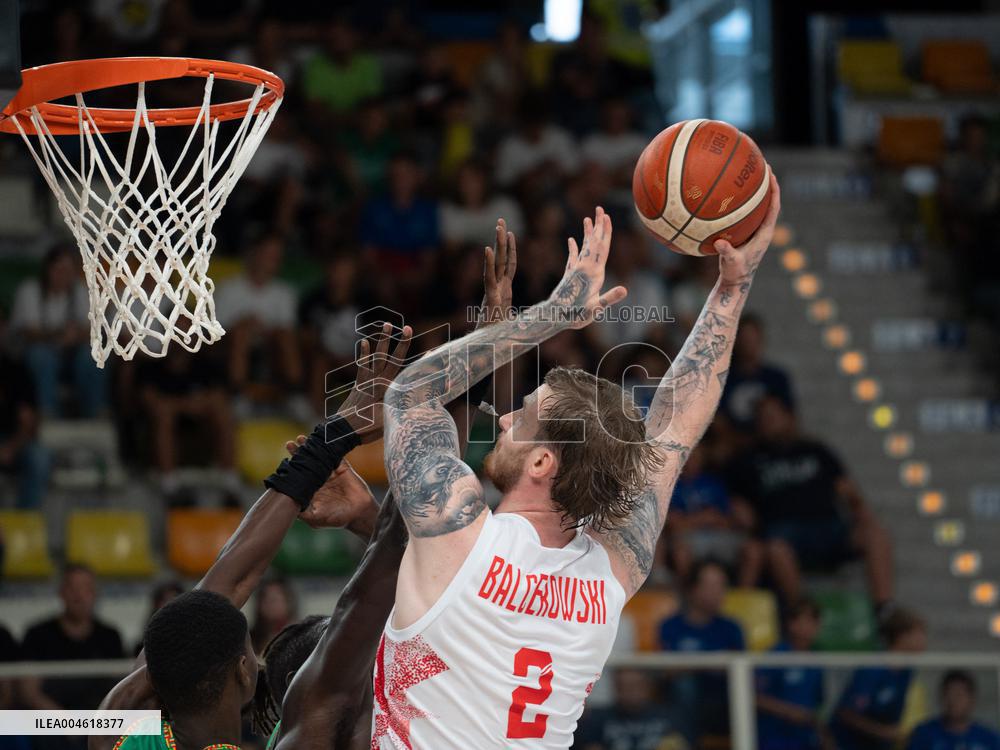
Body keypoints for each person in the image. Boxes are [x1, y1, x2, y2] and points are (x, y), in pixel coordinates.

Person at [374, 176, 780, 747]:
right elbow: (674, 430)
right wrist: (733, 289)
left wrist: (553, 315)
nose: (507, 418)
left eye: (525, 414)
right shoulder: (614, 572)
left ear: (543, 463)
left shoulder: (459, 534)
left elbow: (409, 395)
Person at [727, 396, 895, 613]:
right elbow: (735, 500)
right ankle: (802, 613)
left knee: (875, 534)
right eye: (763, 418)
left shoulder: (816, 451)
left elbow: (848, 491)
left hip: (829, 528)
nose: (768, 422)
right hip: (784, 534)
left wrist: (863, 514)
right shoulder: (747, 461)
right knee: (776, 549)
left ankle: (884, 608)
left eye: (773, 415)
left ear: (790, 418)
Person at [9, 243, 107, 418]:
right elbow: (29, 332)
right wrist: (59, 335)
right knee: (42, 356)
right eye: (59, 270)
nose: (64, 276)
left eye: (69, 271)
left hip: (71, 354)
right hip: (35, 354)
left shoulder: (81, 291)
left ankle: (94, 412)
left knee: (92, 356)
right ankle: (48, 413)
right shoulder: (30, 290)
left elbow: (93, 331)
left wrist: (76, 336)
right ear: (48, 269)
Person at [20, 565, 125, 718]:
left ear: (95, 594)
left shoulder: (110, 636)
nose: (78, 595)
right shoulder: (37, 635)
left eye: (85, 588)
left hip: (100, 723)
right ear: (61, 593)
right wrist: (66, 721)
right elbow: (28, 691)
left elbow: (121, 691)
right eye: (72, 588)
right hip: (49, 724)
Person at [659, 560, 745, 740]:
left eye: (722, 585)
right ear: (692, 589)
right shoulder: (671, 626)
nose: (718, 592)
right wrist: (712, 663)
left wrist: (691, 664)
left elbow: (743, 672)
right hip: (682, 702)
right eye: (711, 585)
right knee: (685, 685)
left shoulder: (731, 628)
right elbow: (665, 671)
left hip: (724, 702)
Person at [215, 233, 303, 403]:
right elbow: (215, 335)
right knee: (241, 333)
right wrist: (243, 325)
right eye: (268, 254)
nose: (272, 259)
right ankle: (238, 396)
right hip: (230, 348)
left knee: (285, 337)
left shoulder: (285, 292)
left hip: (270, 348)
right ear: (254, 253)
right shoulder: (228, 288)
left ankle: (295, 396)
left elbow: (287, 331)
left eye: (277, 256)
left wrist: (263, 330)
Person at [659, 441, 762, 585]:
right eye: (687, 455)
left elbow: (731, 519)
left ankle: (742, 597)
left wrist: (716, 520)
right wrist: (704, 519)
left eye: (696, 455)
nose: (691, 460)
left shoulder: (715, 483)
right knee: (680, 551)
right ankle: (687, 596)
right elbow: (673, 523)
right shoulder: (671, 485)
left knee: (753, 550)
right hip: (690, 538)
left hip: (722, 535)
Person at [829, 608, 928, 750]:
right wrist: (882, 732)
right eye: (918, 634)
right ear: (901, 636)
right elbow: (847, 713)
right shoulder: (872, 669)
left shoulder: (907, 672)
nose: (923, 640)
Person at [756, 598, 826, 750]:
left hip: (806, 738)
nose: (810, 627)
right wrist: (790, 712)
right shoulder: (776, 655)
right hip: (774, 737)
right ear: (791, 624)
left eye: (814, 621)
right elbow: (756, 697)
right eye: (805, 620)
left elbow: (817, 704)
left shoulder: (817, 661)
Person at [574, 668, 693, 750]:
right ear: (616, 688)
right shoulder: (599, 718)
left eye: (635, 685)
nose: (630, 692)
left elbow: (684, 744)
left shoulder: (669, 716)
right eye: (623, 686)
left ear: (647, 686)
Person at [718, 313, 795, 435]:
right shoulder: (722, 380)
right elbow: (718, 420)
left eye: (752, 339)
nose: (748, 344)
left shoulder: (777, 378)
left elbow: (790, 418)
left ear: (761, 340)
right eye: (744, 339)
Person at [0, 352, 49, 508]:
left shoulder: (15, 370)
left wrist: (11, 448)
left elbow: (28, 422)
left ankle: (26, 520)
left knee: (38, 458)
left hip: (13, 441)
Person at [907, 670, 1000, 750]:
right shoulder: (923, 734)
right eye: (948, 694)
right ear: (940, 697)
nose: (953, 700)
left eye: (959, 695)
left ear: (972, 699)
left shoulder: (989, 738)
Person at [251, 578, 298, 656]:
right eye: (265, 599)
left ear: (288, 602)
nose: (269, 605)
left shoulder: (298, 634)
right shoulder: (250, 638)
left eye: (274, 600)